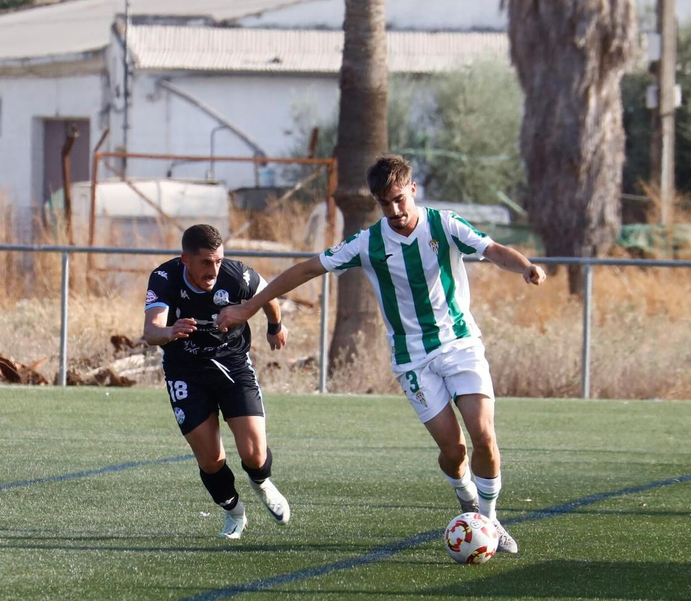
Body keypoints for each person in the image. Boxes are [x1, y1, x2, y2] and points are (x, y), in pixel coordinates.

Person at [216, 154, 546, 554]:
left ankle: (489, 521)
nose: (393, 210)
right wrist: (252, 306)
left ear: (412, 190)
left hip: (460, 345)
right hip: (412, 360)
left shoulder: (444, 224)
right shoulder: (369, 242)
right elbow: (306, 269)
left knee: (485, 437)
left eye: (399, 199)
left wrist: (526, 266)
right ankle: (467, 501)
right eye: (384, 203)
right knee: (454, 450)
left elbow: (493, 250)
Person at [144, 224, 291, 539]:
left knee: (254, 454)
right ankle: (235, 514)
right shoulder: (164, 278)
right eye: (205, 263)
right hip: (186, 372)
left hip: (233, 366)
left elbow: (268, 293)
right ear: (186, 259)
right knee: (211, 460)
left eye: (218, 261)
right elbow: (151, 330)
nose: (213, 270)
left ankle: (262, 482)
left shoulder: (235, 275)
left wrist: (275, 324)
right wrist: (169, 332)